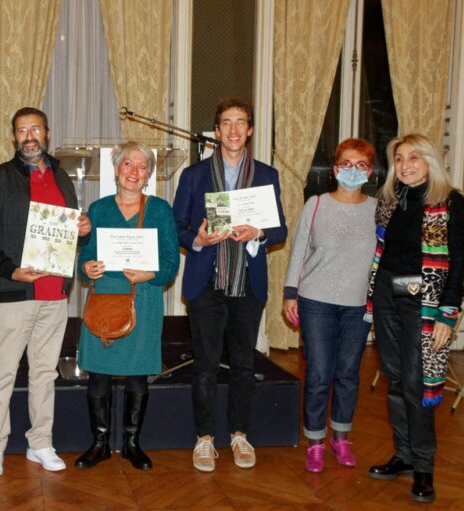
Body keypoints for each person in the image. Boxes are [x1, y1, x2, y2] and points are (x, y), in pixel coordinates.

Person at [0, 107, 91, 477]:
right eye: (22, 131)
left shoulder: (63, 178)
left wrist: (82, 232)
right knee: (3, 373)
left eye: (35, 129)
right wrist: (11, 270)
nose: (29, 136)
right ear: (13, 138)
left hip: (55, 295)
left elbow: (68, 236)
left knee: (44, 374)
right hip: (12, 293)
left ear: (47, 133)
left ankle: (40, 443)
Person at [173, 98, 287, 472]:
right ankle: (204, 438)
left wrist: (260, 232)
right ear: (216, 131)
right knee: (205, 365)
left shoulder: (267, 175)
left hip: (247, 283)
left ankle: (239, 434)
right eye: (226, 123)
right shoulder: (193, 176)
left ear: (250, 129)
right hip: (206, 280)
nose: (234, 130)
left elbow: (280, 229)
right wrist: (198, 241)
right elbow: (178, 227)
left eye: (241, 122)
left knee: (242, 364)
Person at [365, 134, 464, 503]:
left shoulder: (449, 203)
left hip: (423, 304)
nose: (406, 164)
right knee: (395, 378)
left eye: (414, 157)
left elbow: (456, 264)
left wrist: (447, 313)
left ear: (430, 161)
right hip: (387, 297)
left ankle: (424, 467)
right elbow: (382, 250)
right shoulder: (389, 201)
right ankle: (404, 455)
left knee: (416, 383)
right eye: (399, 158)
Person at [74, 142, 179, 470]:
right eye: (128, 165)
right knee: (98, 376)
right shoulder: (100, 208)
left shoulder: (160, 209)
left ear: (148, 174)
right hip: (104, 297)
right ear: (116, 170)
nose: (134, 172)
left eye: (142, 166)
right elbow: (87, 256)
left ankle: (132, 443)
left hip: (143, 298)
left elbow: (171, 260)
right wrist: (86, 268)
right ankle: (100, 443)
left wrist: (153, 273)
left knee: (137, 375)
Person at [282, 138, 377, 473]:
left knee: (349, 373)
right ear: (336, 169)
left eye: (361, 165)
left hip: (358, 305)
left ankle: (341, 436)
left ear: (370, 171)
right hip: (316, 301)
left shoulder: (377, 209)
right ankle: (317, 441)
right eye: (347, 164)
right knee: (320, 373)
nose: (353, 171)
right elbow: (299, 250)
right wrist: (290, 293)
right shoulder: (317, 204)